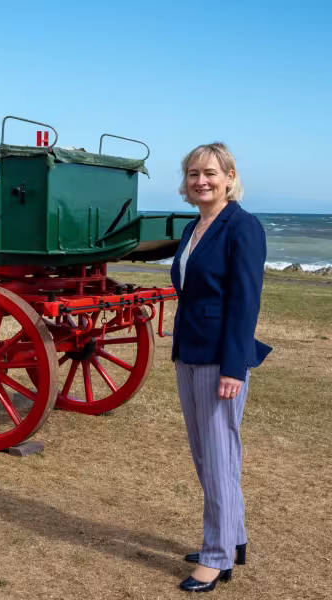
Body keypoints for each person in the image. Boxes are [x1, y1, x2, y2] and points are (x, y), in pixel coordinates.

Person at [170, 142, 270, 592]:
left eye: (210, 173)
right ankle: (234, 538)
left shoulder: (243, 226)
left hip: (220, 359)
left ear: (229, 177)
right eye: (193, 173)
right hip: (189, 353)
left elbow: (245, 304)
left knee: (217, 458)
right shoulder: (194, 226)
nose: (201, 181)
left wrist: (234, 367)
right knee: (209, 455)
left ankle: (217, 556)